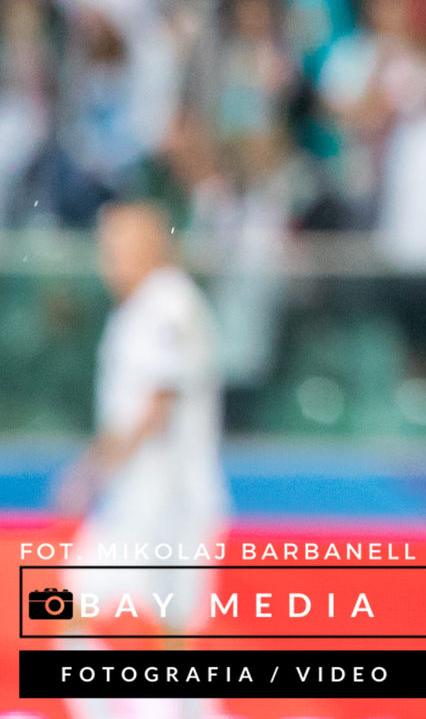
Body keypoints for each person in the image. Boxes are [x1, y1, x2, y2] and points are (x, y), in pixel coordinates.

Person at [54, 201, 229, 719]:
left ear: (150, 245)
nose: (107, 261)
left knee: (156, 626)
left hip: (167, 500)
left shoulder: (167, 303)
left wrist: (91, 469)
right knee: (92, 609)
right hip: (140, 499)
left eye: (117, 247)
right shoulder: (139, 308)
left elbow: (157, 403)